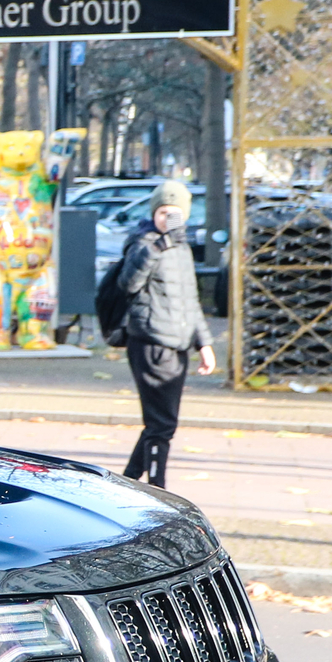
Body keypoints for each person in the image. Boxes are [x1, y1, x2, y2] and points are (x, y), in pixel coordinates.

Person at [116, 180, 215, 488]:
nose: (167, 218)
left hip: (178, 344)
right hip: (151, 341)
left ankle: (128, 482)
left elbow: (190, 299)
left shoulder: (182, 247)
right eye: (162, 212)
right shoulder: (143, 243)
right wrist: (156, 248)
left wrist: (205, 343)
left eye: (174, 213)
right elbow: (128, 284)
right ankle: (158, 490)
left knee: (158, 423)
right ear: (153, 213)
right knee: (162, 424)